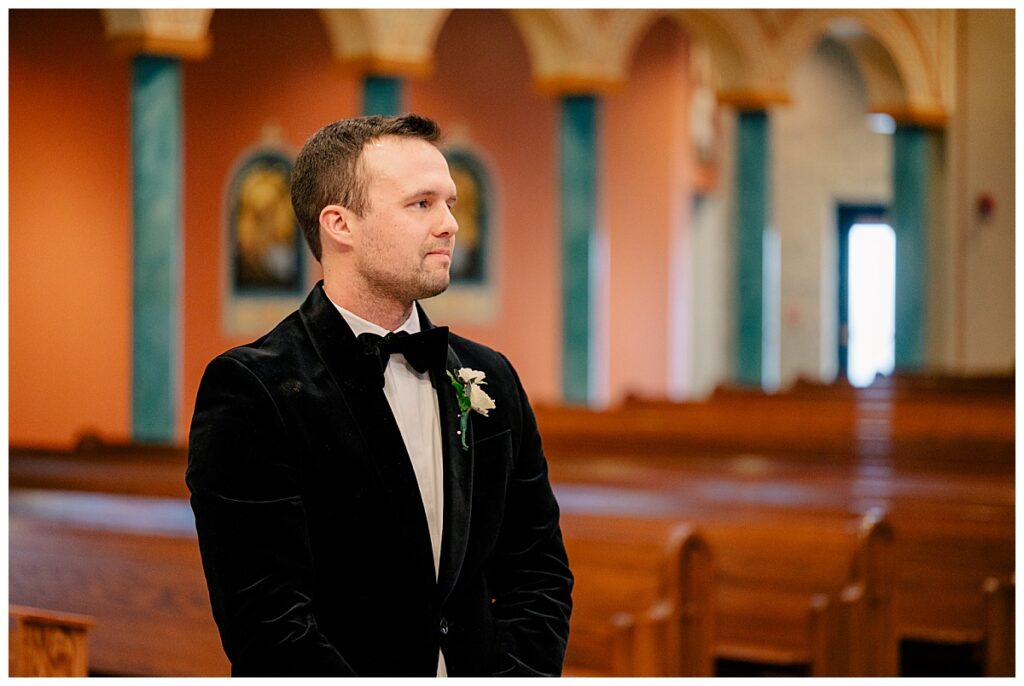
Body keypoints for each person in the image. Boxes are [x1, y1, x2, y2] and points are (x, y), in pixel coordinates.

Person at [186, 113, 573, 677]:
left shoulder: (491, 377)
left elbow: (539, 574)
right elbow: (267, 622)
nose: (449, 226)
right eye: (421, 205)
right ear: (340, 224)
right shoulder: (253, 390)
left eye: (451, 203)